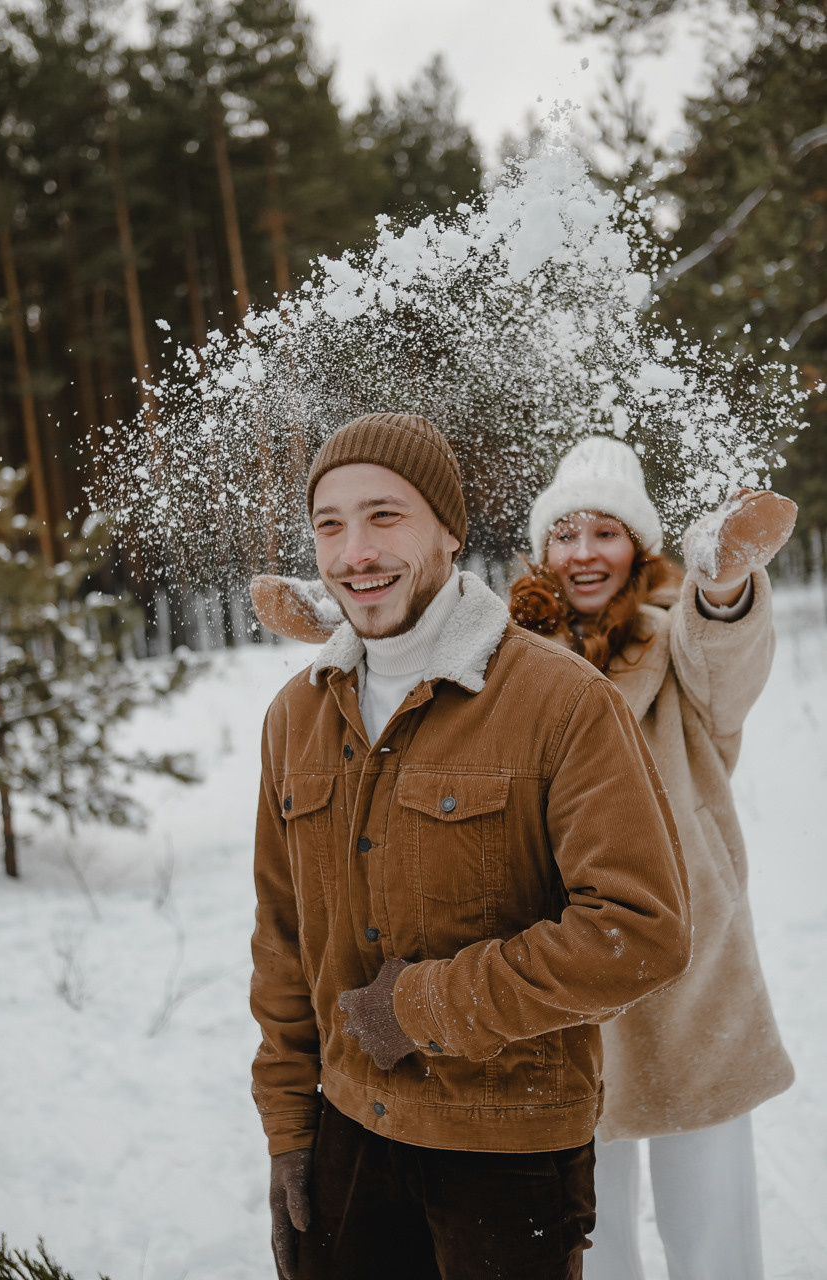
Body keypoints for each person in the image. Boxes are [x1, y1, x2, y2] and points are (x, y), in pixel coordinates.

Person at [249, 412, 691, 1280]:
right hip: (348, 1142)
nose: (354, 552)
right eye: (329, 525)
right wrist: (288, 1131)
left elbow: (639, 933)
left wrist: (420, 1009)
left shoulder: (560, 702)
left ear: (450, 532)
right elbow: (283, 939)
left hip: (507, 1152)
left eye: (384, 516)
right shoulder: (296, 715)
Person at [508, 435, 796, 1280]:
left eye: (605, 532)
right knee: (585, 1227)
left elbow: (725, 664)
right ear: (543, 550)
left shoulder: (679, 640)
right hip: (562, 952)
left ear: (636, 547)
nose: (583, 553)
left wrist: (723, 581)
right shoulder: (509, 659)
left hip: (690, 957)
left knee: (711, 1221)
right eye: (565, 534)